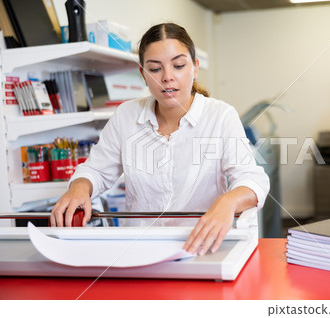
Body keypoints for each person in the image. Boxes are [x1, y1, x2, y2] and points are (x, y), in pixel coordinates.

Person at [50, 23, 270, 256]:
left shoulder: (220, 116)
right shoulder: (127, 116)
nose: (167, 77)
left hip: (200, 248)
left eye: (178, 66)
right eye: (155, 69)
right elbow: (96, 171)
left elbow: (252, 179)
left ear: (195, 68)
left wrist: (228, 202)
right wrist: (79, 187)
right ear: (143, 74)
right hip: (137, 250)